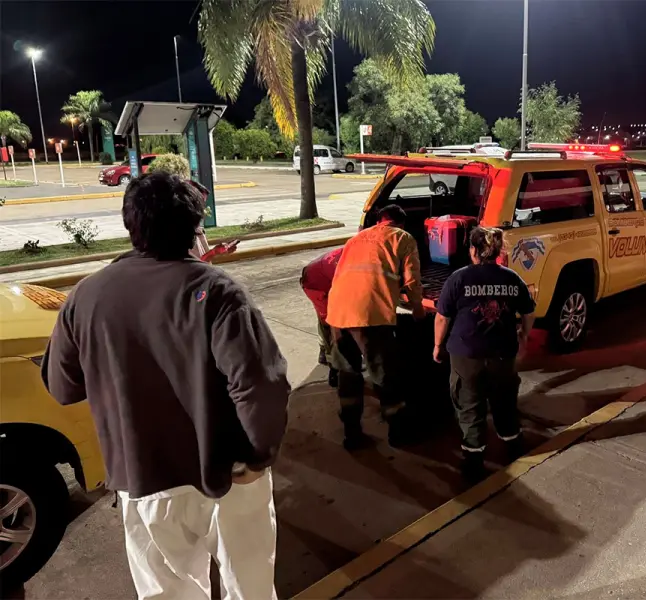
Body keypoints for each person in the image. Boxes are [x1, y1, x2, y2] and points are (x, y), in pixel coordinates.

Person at [42, 172, 290, 600]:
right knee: (248, 586)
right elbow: (262, 385)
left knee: (167, 593)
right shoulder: (218, 292)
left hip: (143, 479)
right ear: (196, 225)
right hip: (228, 477)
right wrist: (259, 456)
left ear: (129, 224)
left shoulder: (86, 296)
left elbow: (62, 387)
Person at [433, 227, 535, 481]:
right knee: (504, 399)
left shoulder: (459, 278)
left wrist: (437, 345)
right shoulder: (512, 278)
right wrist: (524, 334)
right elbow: (529, 312)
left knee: (469, 403)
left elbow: (442, 318)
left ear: (472, 251)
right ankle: (512, 444)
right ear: (498, 251)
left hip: (466, 354)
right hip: (502, 353)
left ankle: (474, 460)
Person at [326, 204, 424, 449]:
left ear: (380, 221)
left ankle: (352, 434)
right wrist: (418, 310)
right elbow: (412, 280)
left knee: (348, 375)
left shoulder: (355, 239)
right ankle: (398, 432)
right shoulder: (403, 237)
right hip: (370, 313)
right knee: (385, 375)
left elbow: (342, 274)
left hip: (338, 312)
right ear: (400, 223)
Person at [300, 246, 344, 385]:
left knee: (329, 321)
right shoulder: (352, 262)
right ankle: (335, 366)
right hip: (316, 284)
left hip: (320, 276)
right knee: (332, 322)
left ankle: (325, 352)